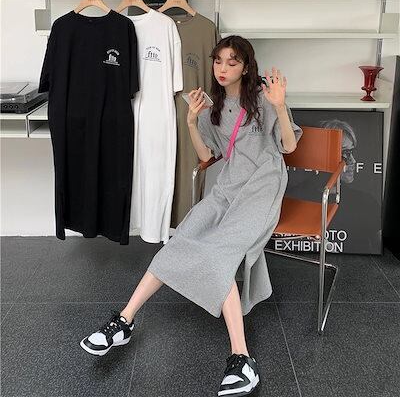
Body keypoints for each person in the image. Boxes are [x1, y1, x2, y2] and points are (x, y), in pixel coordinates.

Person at [80, 35, 303, 397]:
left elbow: (288, 147)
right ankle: (123, 321)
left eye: (232, 62)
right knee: (180, 239)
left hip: (262, 189)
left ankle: (242, 359)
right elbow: (207, 156)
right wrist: (191, 121)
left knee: (219, 252)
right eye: (218, 61)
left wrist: (279, 106)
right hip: (228, 187)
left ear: (247, 67)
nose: (222, 68)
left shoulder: (266, 98)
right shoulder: (214, 106)